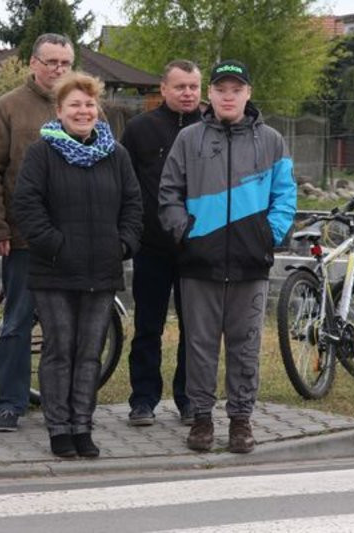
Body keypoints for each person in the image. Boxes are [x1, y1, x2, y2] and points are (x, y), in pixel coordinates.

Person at [159, 60, 297, 454]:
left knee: (245, 345)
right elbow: (168, 192)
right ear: (211, 94)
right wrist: (185, 233)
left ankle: (240, 420)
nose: (228, 96)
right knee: (199, 345)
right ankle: (201, 418)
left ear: (248, 94)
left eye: (236, 90)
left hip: (250, 264)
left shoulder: (271, 140)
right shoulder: (189, 139)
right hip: (199, 263)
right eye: (221, 89)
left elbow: (285, 195)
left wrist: (267, 236)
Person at [13, 72, 142, 458]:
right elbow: (27, 205)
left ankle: (82, 426)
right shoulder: (41, 153)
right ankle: (59, 429)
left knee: (89, 352)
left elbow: (133, 205)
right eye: (75, 105)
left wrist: (123, 244)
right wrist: (56, 245)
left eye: (89, 104)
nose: (83, 111)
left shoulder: (116, 155)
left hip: (102, 269)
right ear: (59, 110)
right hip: (54, 270)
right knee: (60, 349)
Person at [0, 33, 76, 432]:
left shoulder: (84, 107)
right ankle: (10, 403)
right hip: (24, 237)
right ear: (33, 63)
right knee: (17, 323)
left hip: (75, 240)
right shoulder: (7, 108)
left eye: (65, 63)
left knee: (66, 326)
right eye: (51, 62)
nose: (58, 69)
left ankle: (64, 403)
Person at [121, 60, 202, 427]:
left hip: (198, 247)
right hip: (152, 247)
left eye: (193, 87)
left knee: (195, 330)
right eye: (180, 86)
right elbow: (126, 185)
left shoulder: (211, 128)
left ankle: (189, 398)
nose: (187, 93)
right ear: (164, 89)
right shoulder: (140, 129)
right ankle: (143, 399)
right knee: (147, 327)